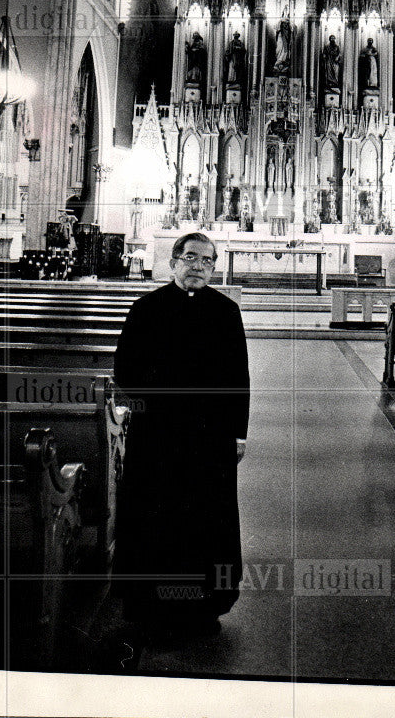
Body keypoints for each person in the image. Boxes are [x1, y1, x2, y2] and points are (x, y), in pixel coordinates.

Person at [112, 232, 250, 661]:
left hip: (209, 438)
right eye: (190, 258)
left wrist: (238, 432)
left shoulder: (226, 312)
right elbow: (125, 370)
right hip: (158, 434)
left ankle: (204, 603)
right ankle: (148, 602)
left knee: (206, 518)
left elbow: (238, 378)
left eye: (207, 261)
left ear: (214, 268)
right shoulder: (146, 308)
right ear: (173, 262)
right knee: (154, 512)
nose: (198, 267)